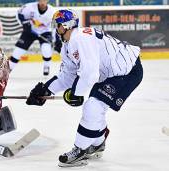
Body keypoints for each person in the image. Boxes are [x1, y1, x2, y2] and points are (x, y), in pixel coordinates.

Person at [26, 9, 143, 167]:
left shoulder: (80, 38)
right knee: (95, 107)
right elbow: (68, 75)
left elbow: (89, 73)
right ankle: (97, 143)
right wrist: (46, 91)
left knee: (93, 106)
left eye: (58, 24)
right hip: (111, 74)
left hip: (127, 71)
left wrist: (77, 94)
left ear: (67, 25)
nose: (55, 28)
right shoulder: (67, 46)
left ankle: (80, 150)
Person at [9, 0, 61, 76]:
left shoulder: (53, 11)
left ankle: (47, 66)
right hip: (30, 31)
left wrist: (56, 40)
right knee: (18, 51)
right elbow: (19, 14)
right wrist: (24, 23)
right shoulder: (29, 7)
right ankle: (8, 69)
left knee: (46, 49)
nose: (42, 2)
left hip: (45, 32)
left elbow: (56, 26)